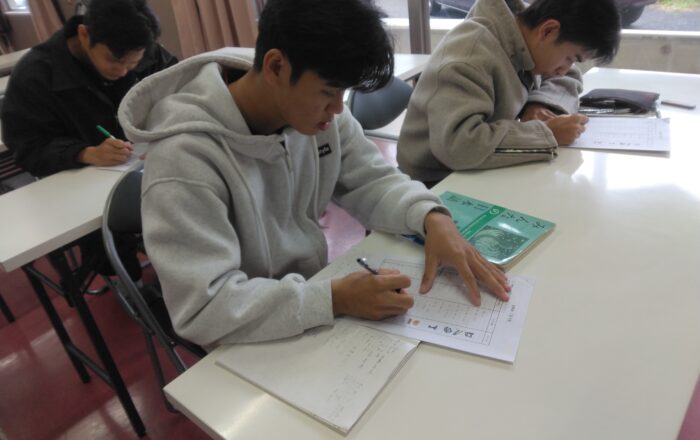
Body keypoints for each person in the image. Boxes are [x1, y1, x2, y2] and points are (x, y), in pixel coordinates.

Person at [118, 0, 511, 348]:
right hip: (242, 340)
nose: (338, 109)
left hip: (310, 305)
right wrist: (335, 298)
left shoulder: (312, 114)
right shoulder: (183, 160)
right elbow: (203, 309)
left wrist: (431, 217)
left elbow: (371, 179)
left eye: (343, 93)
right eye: (328, 92)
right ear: (276, 66)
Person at [1, 0, 177, 280]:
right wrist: (84, 152)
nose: (124, 71)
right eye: (115, 61)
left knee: (193, 202)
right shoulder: (36, 75)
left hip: (148, 164)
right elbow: (26, 148)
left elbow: (180, 92)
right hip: (84, 185)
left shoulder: (145, 48)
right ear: (84, 35)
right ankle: (135, 285)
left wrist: (163, 129)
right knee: (113, 245)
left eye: (133, 63)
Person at [397, 0, 621, 185]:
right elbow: (459, 146)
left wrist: (540, 103)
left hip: (479, 166)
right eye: (570, 57)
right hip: (434, 181)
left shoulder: (524, 33)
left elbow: (568, 76)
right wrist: (547, 133)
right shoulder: (469, 58)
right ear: (548, 31)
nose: (565, 67)